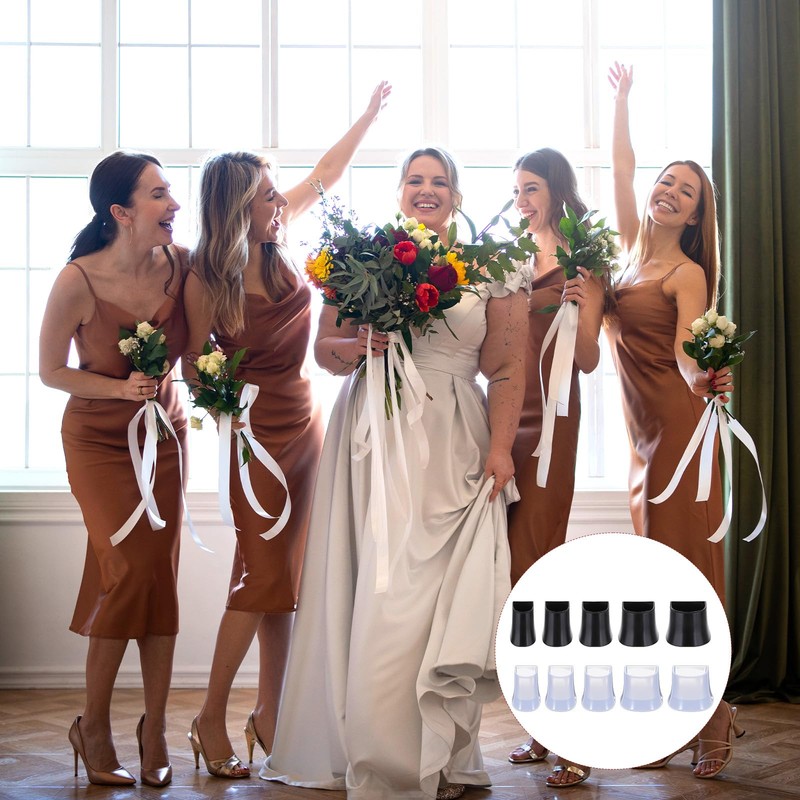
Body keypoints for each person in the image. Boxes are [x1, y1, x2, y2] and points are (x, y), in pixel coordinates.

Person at [260, 146, 530, 800]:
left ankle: (444, 754)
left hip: (454, 436)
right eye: (415, 179)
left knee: (441, 596)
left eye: (439, 181)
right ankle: (385, 760)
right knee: (384, 590)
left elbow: (506, 367)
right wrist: (358, 346)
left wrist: (501, 449)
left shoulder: (491, 267)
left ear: (456, 195)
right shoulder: (360, 255)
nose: (426, 189)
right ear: (400, 190)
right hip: (375, 435)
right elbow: (324, 352)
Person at [182, 82, 391, 779]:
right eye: (267, 196)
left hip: (305, 425)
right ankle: (211, 715)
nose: (280, 203)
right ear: (238, 205)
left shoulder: (280, 236)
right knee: (260, 575)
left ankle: (270, 714)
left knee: (285, 581)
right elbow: (194, 367)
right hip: (253, 440)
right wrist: (227, 407)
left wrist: (367, 116)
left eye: (278, 195)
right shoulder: (205, 275)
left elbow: (327, 173)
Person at [605, 61, 741, 783]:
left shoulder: (687, 273)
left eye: (685, 191)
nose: (668, 191)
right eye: (667, 181)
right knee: (660, 577)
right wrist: (623, 100)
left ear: (694, 216)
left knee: (690, 578)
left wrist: (703, 378)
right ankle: (676, 714)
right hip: (642, 439)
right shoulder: (630, 250)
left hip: (681, 435)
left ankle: (715, 717)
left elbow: (689, 350)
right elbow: (622, 169)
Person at [39, 151, 187, 788]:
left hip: (165, 437)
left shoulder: (180, 265)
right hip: (98, 441)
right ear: (121, 212)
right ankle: (93, 726)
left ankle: (155, 728)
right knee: (124, 570)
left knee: (158, 578)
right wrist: (119, 389)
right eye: (159, 194)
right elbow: (51, 372)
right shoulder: (77, 280)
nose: (173, 205)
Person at [505, 149, 607, 784]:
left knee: (537, 570)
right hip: (501, 422)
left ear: (557, 191)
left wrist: (575, 305)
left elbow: (589, 359)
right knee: (514, 580)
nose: (521, 200)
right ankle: (543, 728)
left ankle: (574, 734)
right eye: (517, 189)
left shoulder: (583, 261)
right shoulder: (512, 257)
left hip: (550, 425)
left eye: (532, 188)